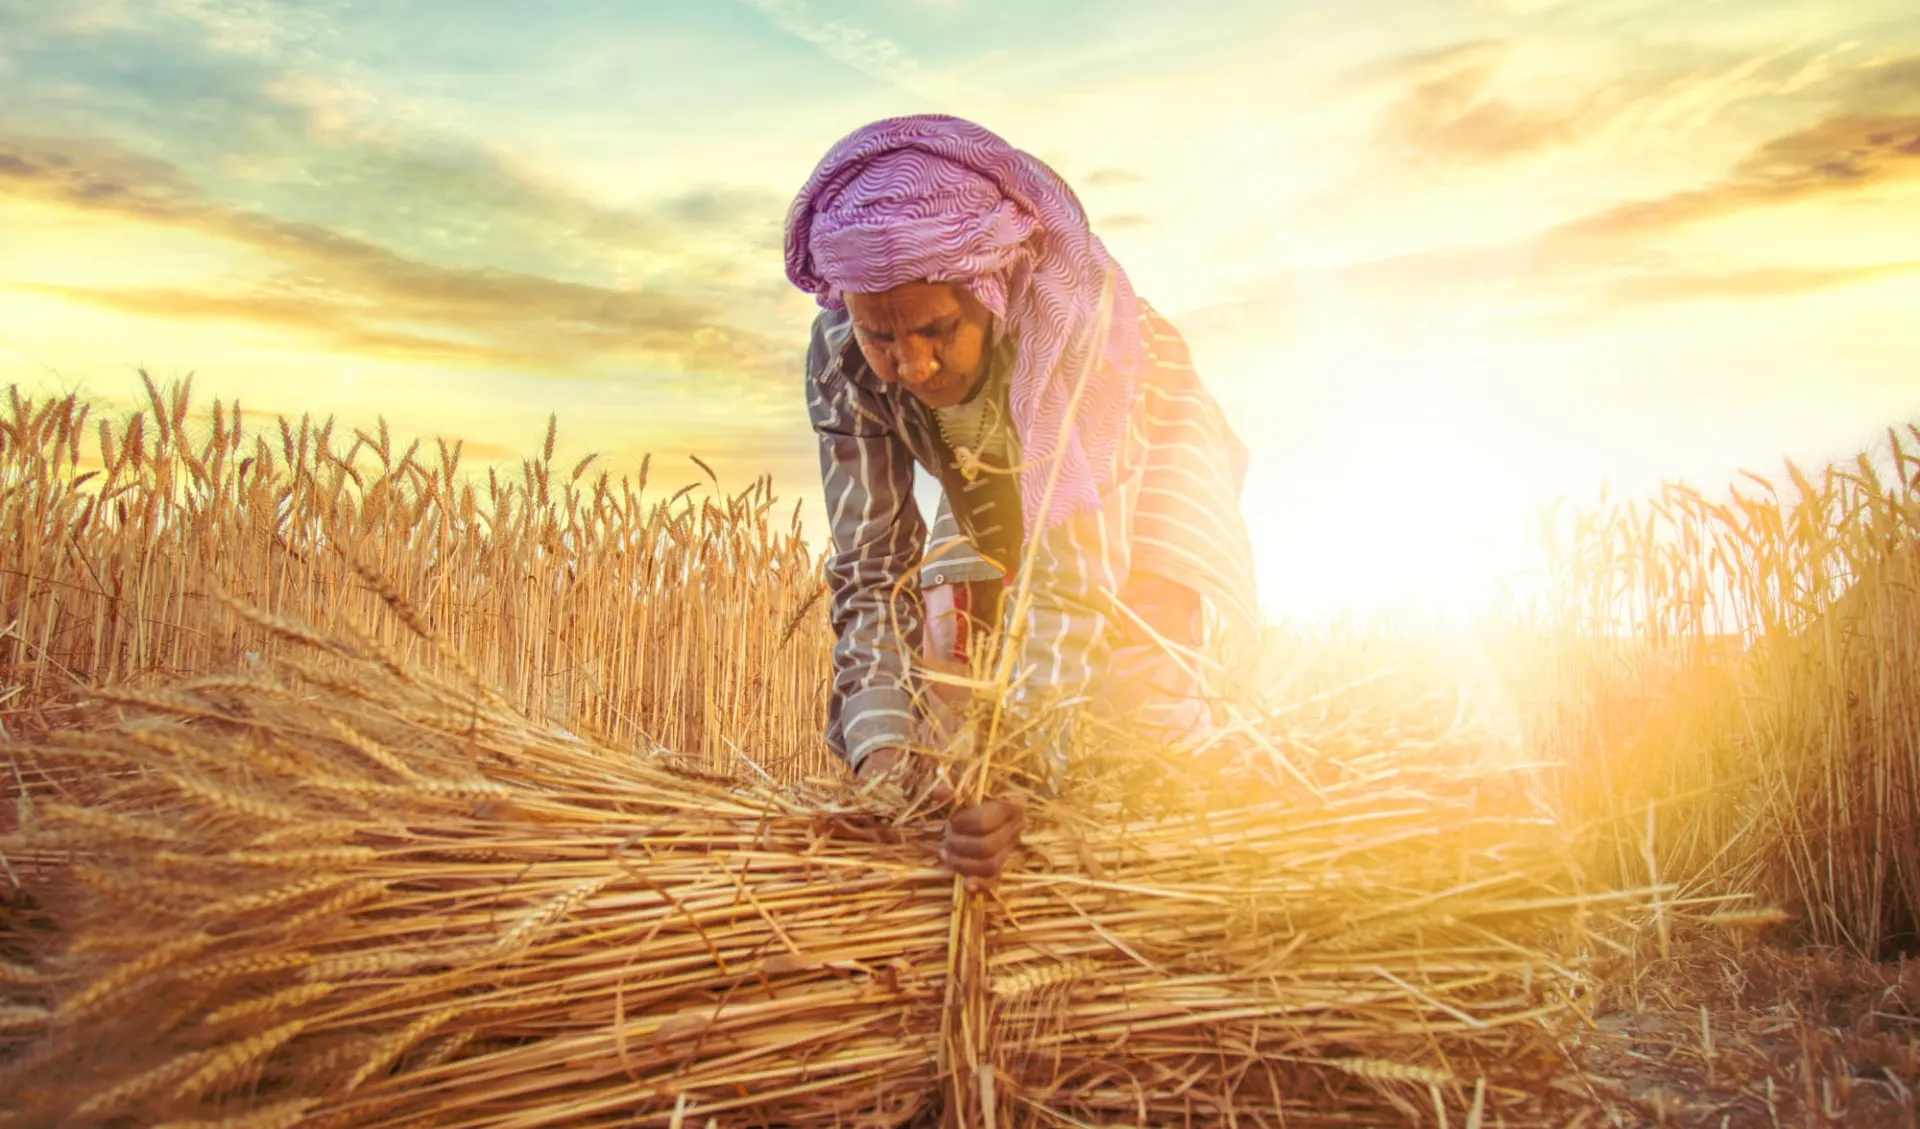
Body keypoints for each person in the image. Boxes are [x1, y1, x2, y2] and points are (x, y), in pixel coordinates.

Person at [784, 115, 1260, 889]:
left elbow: (1072, 580)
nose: (911, 362)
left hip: (1145, 436)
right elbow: (871, 572)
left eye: (936, 329)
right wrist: (887, 769)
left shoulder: (1079, 333)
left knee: (1140, 687)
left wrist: (1019, 781)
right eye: (882, 337)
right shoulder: (841, 353)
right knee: (953, 663)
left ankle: (1184, 876)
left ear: (991, 291)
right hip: (990, 463)